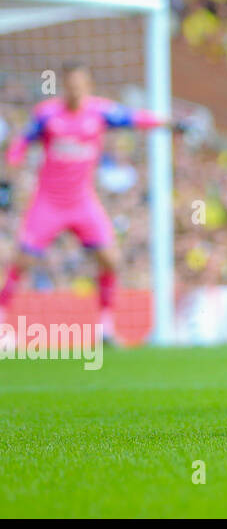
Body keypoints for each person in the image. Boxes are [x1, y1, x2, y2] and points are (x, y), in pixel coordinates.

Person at [1, 63, 174, 340]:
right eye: (70, 85)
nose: (75, 90)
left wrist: (166, 122)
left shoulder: (100, 111)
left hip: (83, 202)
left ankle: (105, 326)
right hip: (49, 202)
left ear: (88, 86)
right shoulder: (47, 114)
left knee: (111, 259)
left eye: (80, 85)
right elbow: (23, 140)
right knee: (22, 260)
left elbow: (134, 118)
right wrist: (14, 159)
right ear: (63, 86)